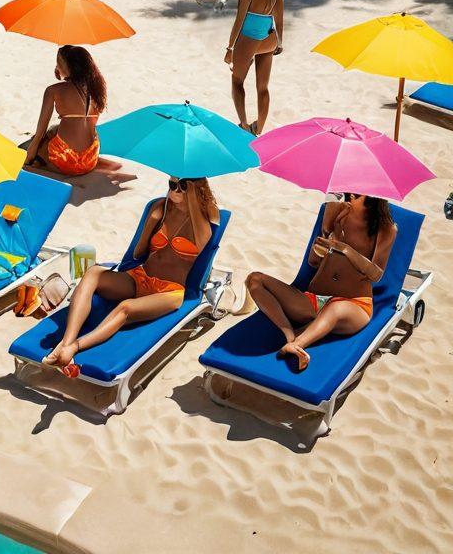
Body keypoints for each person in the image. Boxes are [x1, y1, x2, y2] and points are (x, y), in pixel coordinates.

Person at [42, 178, 219, 373]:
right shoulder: (161, 208)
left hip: (170, 291)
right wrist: (153, 220)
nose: (175, 190)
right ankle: (66, 342)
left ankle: (76, 346)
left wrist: (193, 191)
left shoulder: (202, 223)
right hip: (140, 276)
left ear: (194, 189)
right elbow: (138, 253)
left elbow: (210, 220)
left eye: (183, 186)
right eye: (171, 184)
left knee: (125, 307)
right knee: (93, 272)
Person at [246, 194, 397, 373]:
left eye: (354, 192)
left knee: (335, 307)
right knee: (255, 279)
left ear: (372, 195)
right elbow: (313, 262)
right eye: (347, 190)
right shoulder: (333, 212)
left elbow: (376, 274)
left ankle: (298, 344)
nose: (349, 194)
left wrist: (345, 249)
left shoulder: (385, 228)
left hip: (354, 305)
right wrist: (328, 235)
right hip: (314, 299)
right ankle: (290, 336)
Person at [24, 45, 122, 178]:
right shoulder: (97, 90)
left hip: (66, 160)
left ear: (67, 66)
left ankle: (40, 162)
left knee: (31, 144)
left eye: (58, 63)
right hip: (90, 160)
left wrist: (28, 158)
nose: (56, 67)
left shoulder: (53, 90)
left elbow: (40, 133)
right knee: (55, 129)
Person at [225, 0, 285, 135]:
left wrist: (230, 48)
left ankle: (244, 125)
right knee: (263, 87)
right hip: (269, 39)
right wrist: (279, 43)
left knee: (237, 81)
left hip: (249, 39)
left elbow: (239, 20)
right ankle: (259, 127)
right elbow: (279, 21)